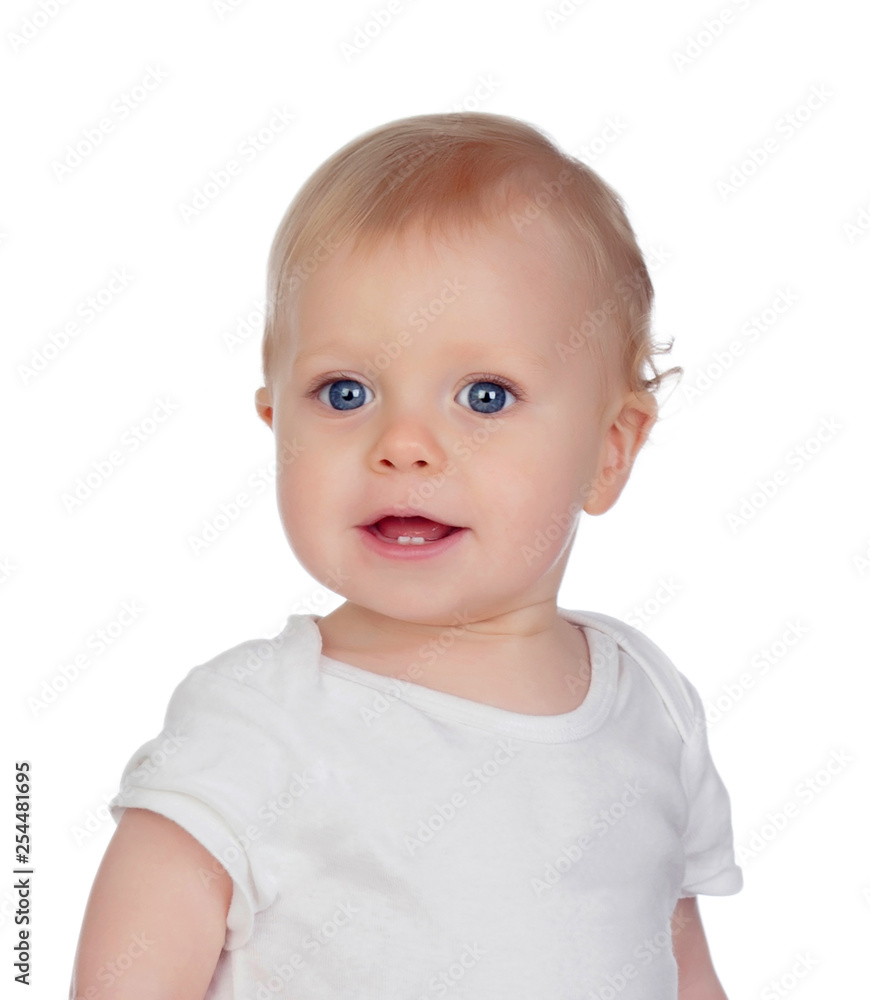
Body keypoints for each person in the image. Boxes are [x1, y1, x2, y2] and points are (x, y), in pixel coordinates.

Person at [69, 112, 742, 999]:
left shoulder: (650, 706)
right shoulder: (256, 725)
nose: (405, 445)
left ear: (609, 449)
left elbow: (681, 967)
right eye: (344, 393)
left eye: (485, 395)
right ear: (278, 425)